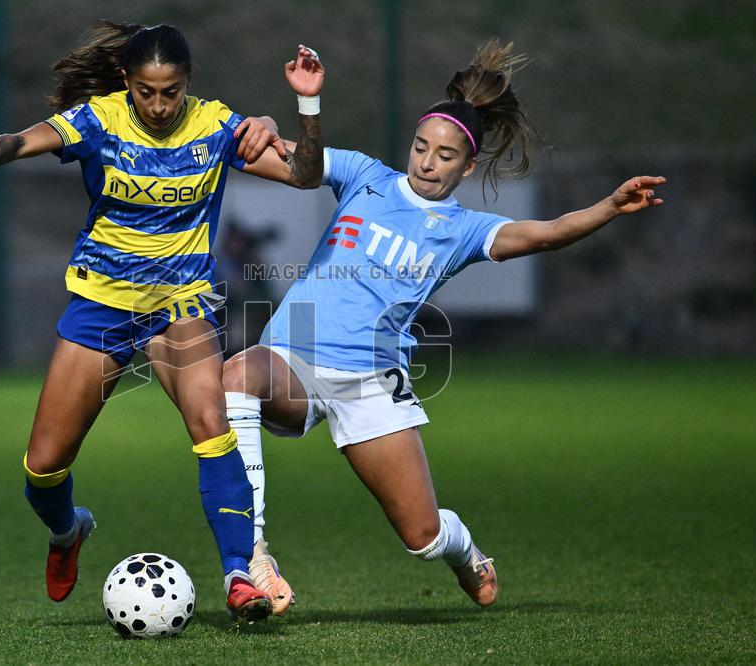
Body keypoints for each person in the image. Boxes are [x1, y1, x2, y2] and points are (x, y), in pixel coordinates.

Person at [224, 40, 666, 614]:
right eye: (420, 147)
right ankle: (254, 554)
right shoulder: (366, 176)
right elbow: (286, 163)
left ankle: (468, 553)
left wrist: (608, 206)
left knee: (424, 538)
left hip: (370, 382)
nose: (427, 162)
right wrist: (265, 123)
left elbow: (546, 232)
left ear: (469, 165)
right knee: (236, 374)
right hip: (295, 356)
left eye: (445, 155)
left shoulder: (464, 229)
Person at [0, 22, 325, 620]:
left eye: (171, 92)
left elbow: (305, 173)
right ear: (126, 81)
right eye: (147, 92)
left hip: (181, 305)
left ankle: (239, 575)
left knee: (211, 425)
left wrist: (296, 112)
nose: (160, 105)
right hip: (102, 306)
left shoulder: (217, 126)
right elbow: (23, 138)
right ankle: (69, 532)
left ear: (187, 84)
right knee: (43, 469)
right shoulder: (99, 120)